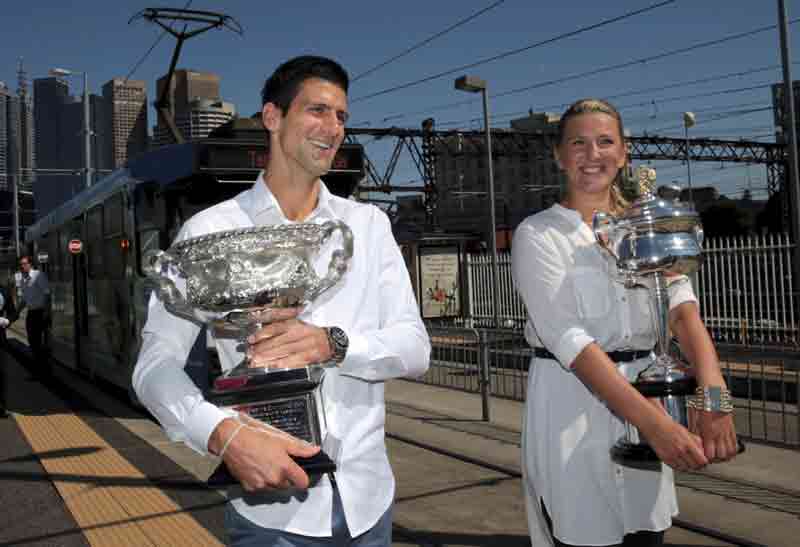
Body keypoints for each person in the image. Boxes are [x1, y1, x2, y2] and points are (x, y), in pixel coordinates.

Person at [133, 55, 430, 547]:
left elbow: (416, 348)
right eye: (316, 110)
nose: (332, 128)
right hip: (272, 518)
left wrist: (330, 345)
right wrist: (223, 436)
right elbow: (153, 367)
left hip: (368, 504)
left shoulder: (367, 226)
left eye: (341, 116)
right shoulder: (210, 231)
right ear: (272, 117)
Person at [511, 98, 739, 547]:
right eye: (578, 143)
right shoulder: (538, 235)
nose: (592, 154)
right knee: (582, 533)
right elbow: (570, 341)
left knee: (645, 535)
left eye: (604, 142)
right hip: (570, 407)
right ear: (559, 155)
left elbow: (682, 310)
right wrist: (654, 426)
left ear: (623, 152)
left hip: (649, 400)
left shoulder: (646, 227)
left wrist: (715, 396)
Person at [14, 255, 51, 372]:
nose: (22, 266)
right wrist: (17, 312)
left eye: (24, 264)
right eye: (21, 264)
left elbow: (47, 294)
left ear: (30, 264)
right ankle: (39, 364)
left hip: (40, 312)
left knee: (37, 340)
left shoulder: (38, 276)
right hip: (31, 313)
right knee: (31, 339)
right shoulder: (23, 280)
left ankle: (41, 366)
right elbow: (24, 300)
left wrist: (46, 312)